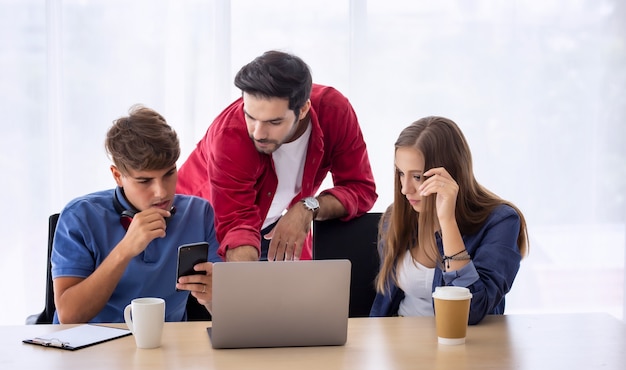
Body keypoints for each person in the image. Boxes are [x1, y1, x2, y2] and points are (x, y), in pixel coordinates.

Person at [176, 50, 377, 262]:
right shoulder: (229, 136)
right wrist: (244, 285)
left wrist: (308, 207)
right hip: (199, 232)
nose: (258, 133)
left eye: (274, 122)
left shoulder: (334, 111)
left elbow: (361, 188)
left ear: (303, 110)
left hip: (266, 228)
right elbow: (235, 224)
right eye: (250, 116)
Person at [51, 105, 221, 324]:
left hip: (167, 347)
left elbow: (227, 310)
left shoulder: (199, 213)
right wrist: (125, 250)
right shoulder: (79, 216)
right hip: (91, 348)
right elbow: (69, 316)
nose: (162, 192)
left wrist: (213, 299)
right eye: (144, 181)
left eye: (169, 173)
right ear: (117, 176)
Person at [370, 116, 528, 325]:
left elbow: (471, 312)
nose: (404, 189)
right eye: (401, 173)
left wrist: (447, 222)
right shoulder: (397, 216)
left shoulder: (501, 222)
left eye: (417, 177)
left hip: (463, 346)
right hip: (399, 343)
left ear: (449, 175)